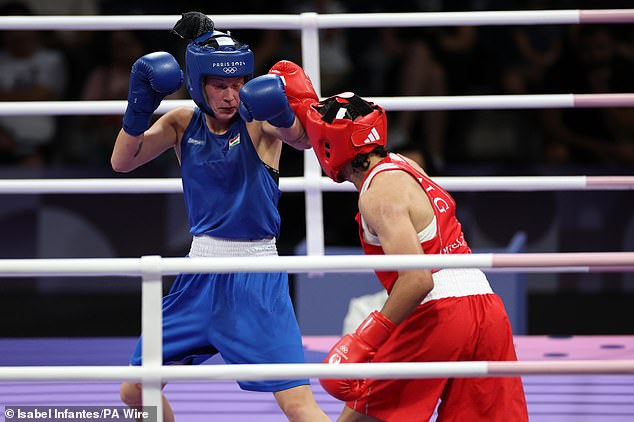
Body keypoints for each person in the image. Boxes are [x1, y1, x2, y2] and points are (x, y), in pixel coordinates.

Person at [110, 12, 328, 422]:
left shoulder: (259, 121)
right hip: (199, 272)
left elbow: (300, 140)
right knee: (135, 389)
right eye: (219, 85)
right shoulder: (179, 122)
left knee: (298, 405)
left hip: (256, 277)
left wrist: (282, 113)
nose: (231, 95)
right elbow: (123, 161)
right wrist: (138, 109)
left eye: (237, 84)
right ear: (198, 84)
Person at [277, 69, 529, 420]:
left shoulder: (378, 196)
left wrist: (365, 338)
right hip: (487, 311)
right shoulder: (404, 165)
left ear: (328, 146)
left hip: (438, 314)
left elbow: (417, 278)